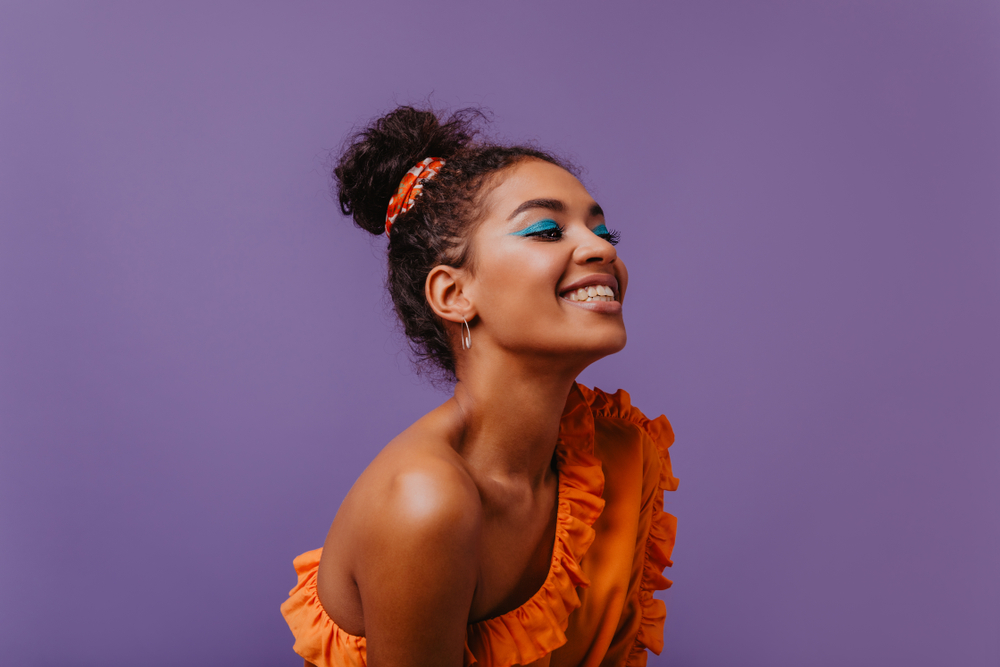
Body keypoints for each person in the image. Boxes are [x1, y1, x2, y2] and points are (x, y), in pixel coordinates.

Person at [280, 106, 678, 667]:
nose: (602, 249)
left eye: (602, 230)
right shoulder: (425, 503)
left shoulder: (617, 452)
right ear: (453, 295)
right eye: (546, 230)